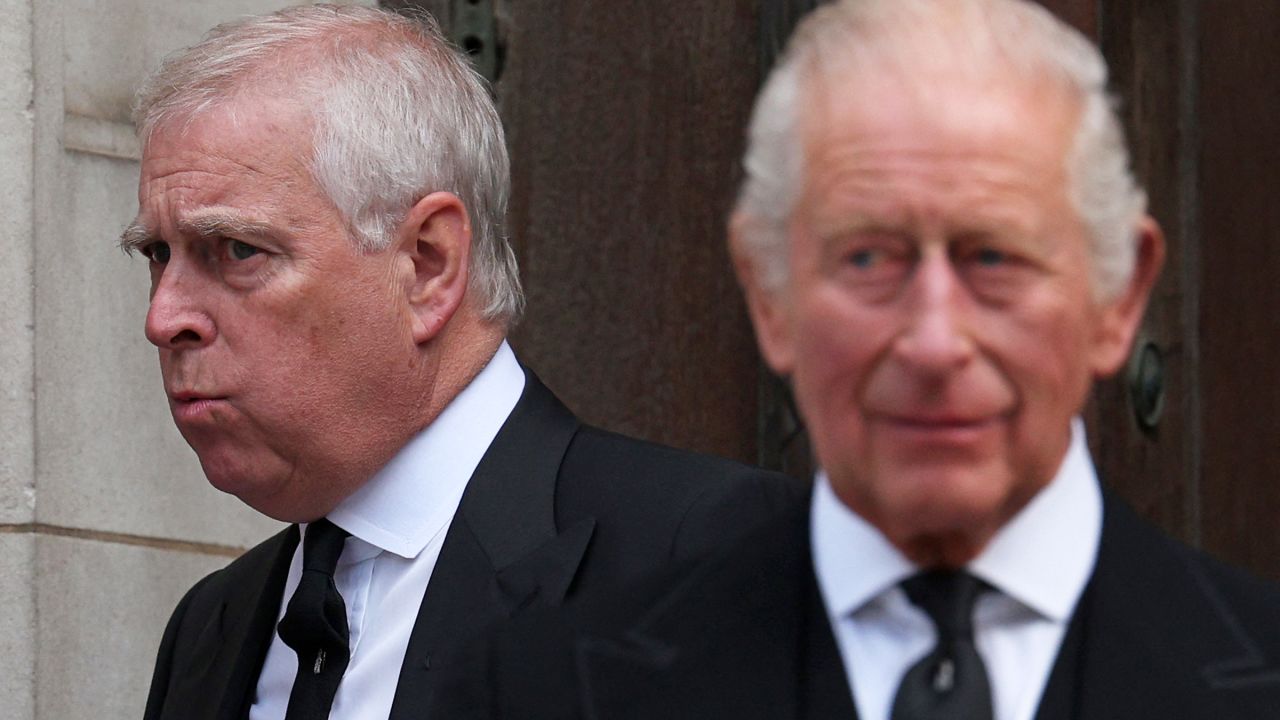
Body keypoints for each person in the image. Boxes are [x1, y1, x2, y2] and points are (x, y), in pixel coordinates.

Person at [433, 1, 1280, 718]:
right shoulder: (545, 692)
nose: (934, 343)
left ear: (1119, 299)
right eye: (868, 259)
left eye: (995, 258)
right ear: (770, 296)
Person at [125, 6, 798, 719]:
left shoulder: (708, 555)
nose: (163, 319)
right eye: (159, 254)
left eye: (237, 250)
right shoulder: (211, 627)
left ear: (428, 264)